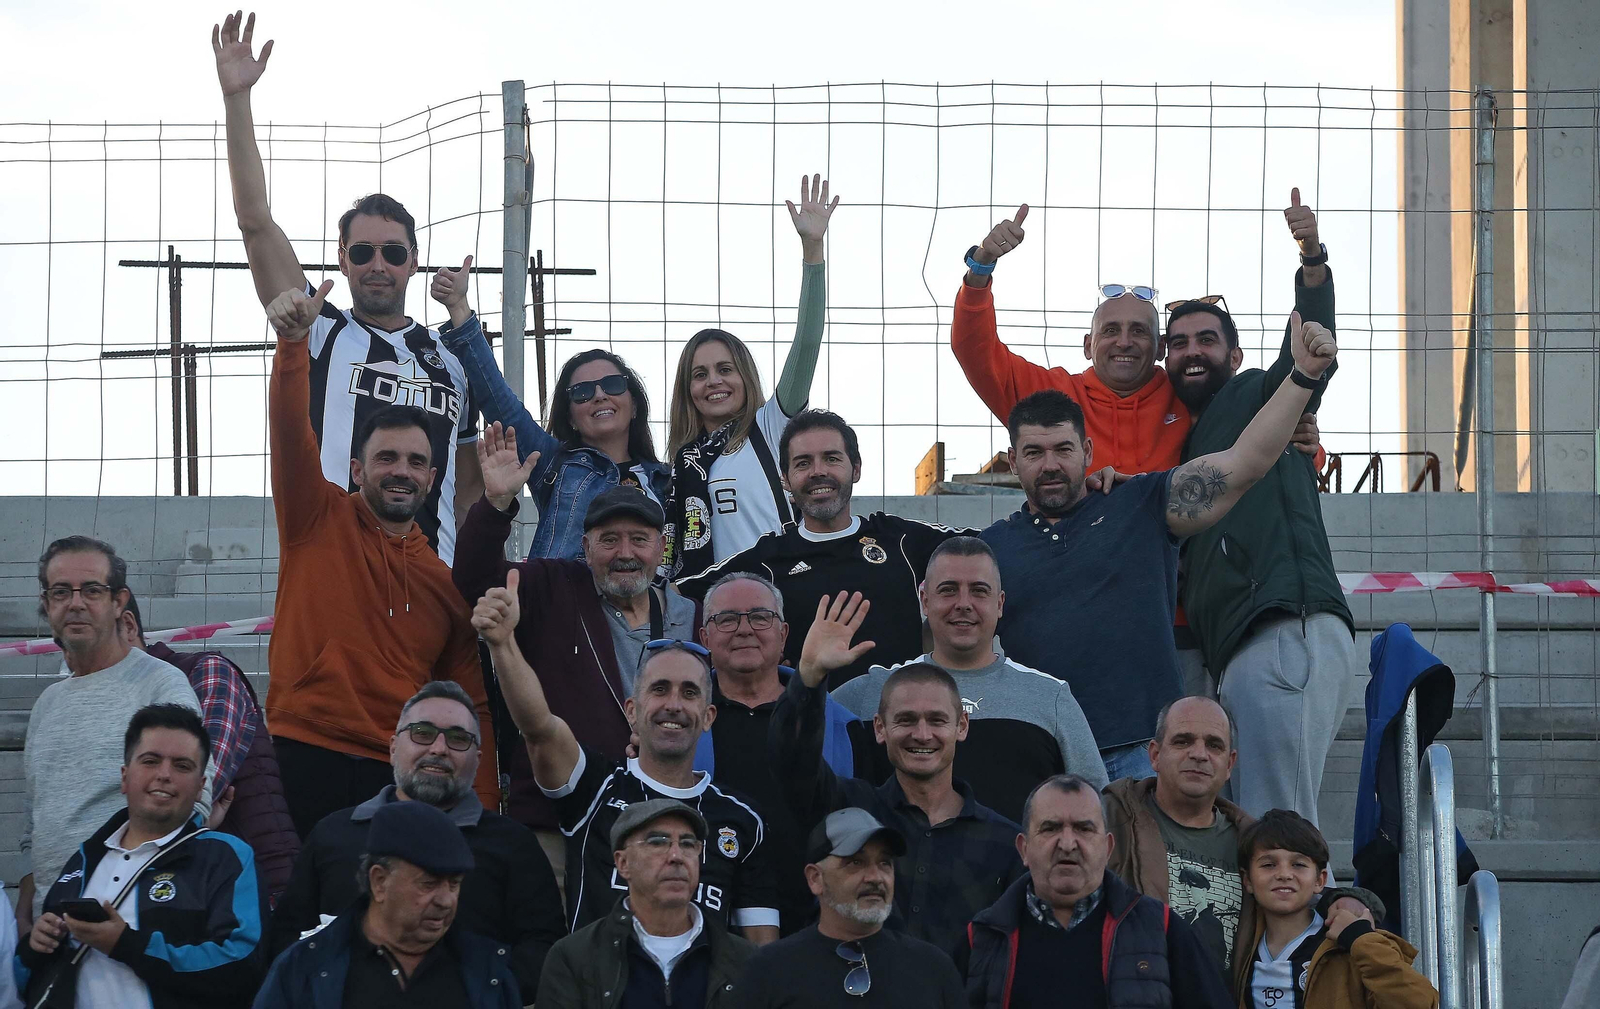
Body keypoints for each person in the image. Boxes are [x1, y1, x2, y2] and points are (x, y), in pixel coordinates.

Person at [979, 309, 1339, 784]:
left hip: (1141, 760)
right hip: (1042, 762)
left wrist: (1301, 378)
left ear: (1088, 453)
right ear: (1012, 461)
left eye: (1064, 450)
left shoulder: (1140, 505)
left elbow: (1244, 463)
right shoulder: (988, 552)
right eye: (1034, 453)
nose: (1050, 465)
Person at [212, 11, 482, 563]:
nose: (377, 265)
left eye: (393, 252)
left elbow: (470, 485)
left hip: (432, 587)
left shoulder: (452, 362)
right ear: (343, 260)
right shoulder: (318, 328)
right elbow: (255, 221)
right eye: (362, 253)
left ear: (413, 263)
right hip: (338, 571)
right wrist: (237, 101)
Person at [262, 279, 498, 838]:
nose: (401, 470)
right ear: (358, 469)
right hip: (303, 748)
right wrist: (293, 346)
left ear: (432, 477)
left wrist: (484, 819)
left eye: (417, 462)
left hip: (398, 772)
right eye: (385, 457)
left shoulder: (443, 582)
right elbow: (290, 432)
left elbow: (475, 711)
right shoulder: (315, 516)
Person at [1163, 191, 1353, 824]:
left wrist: (1312, 261)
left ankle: (1313, 926)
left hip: (1280, 627)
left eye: (1207, 341)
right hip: (1241, 645)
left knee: (1280, 828)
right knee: (1257, 826)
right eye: (1179, 343)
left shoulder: (1259, 394)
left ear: (1237, 357)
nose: (1192, 352)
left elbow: (1308, 351)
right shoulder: (1184, 439)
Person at [471, 570, 780, 942]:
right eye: (660, 689)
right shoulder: (594, 788)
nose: (673, 705)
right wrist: (503, 645)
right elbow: (538, 727)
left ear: (708, 717)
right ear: (632, 710)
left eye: (690, 693)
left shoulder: (741, 819)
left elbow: (760, 950)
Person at [453, 428, 698, 879]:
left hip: (656, 826)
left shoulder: (690, 616)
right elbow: (474, 578)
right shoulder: (553, 585)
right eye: (609, 540)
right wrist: (496, 505)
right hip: (556, 827)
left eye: (638, 540)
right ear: (585, 548)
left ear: (661, 549)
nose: (625, 553)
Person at [270, 681, 564, 997]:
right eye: (422, 733)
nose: (438, 748)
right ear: (394, 747)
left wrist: (464, 989)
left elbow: (543, 949)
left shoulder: (512, 844)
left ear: (478, 759)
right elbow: (288, 936)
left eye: (457, 739)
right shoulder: (333, 834)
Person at [771, 593, 1023, 953]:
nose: (922, 734)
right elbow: (791, 762)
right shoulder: (847, 808)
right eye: (905, 720)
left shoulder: (1005, 844)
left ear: (962, 726)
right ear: (879, 728)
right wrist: (809, 680)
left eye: (937, 720)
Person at [678, 409, 969, 686]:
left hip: (902, 727)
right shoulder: (767, 560)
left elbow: (990, 543)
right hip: (815, 730)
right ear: (785, 479)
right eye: (803, 463)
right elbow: (678, 592)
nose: (818, 472)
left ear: (855, 469)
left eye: (831, 459)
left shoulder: (900, 539)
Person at [831, 536, 1106, 823]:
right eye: (948, 590)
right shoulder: (871, 693)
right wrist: (811, 676)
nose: (963, 604)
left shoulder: (1050, 697)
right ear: (925, 601)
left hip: (1017, 868)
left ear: (999, 604)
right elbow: (797, 753)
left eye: (979, 591)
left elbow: (1096, 809)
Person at [19, 537, 211, 930]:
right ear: (47, 603)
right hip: (52, 925)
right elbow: (35, 823)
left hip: (130, 922)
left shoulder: (158, 685)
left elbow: (192, 798)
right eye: (60, 592)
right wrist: (30, 903)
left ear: (118, 601)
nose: (75, 603)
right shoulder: (47, 705)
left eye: (91, 590)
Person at [20, 704, 266, 1009]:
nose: (164, 775)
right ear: (124, 777)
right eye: (150, 761)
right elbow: (22, 978)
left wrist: (127, 945)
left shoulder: (226, 856)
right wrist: (35, 946)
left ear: (202, 787)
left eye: (182, 766)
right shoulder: (83, 860)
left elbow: (242, 965)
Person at [663, 175, 837, 578]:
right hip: (713, 614)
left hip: (782, 601)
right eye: (700, 374)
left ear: (745, 376)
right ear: (687, 391)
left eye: (726, 369)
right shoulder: (683, 463)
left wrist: (813, 250)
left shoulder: (771, 425)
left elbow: (807, 343)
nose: (714, 382)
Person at [955, 774, 1233, 1009]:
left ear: (1108, 848)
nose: (1067, 843)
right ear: (1024, 848)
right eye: (1050, 828)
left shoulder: (1163, 930)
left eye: (1083, 829)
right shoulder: (981, 940)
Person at [691, 571, 857, 934]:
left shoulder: (842, 726)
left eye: (760, 617)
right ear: (705, 638)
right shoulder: (680, 724)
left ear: (783, 635)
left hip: (816, 923)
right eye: (727, 619)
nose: (744, 629)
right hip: (707, 925)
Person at [121, 593, 299, 909]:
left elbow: (202, 785)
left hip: (254, 887)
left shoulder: (206, 672)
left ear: (129, 626)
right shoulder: (109, 703)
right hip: (175, 885)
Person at [254, 800, 520, 1008]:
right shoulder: (303, 969)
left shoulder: (487, 972)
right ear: (379, 882)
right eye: (428, 884)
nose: (445, 901)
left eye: (454, 884)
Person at [438, 326, 669, 560]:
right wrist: (459, 309)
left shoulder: (668, 480)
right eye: (582, 392)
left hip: (649, 596)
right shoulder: (554, 463)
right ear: (570, 418)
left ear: (635, 405)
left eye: (613, 384)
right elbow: (502, 403)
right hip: (569, 596)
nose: (600, 395)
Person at [536, 799, 758, 1008]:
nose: (676, 855)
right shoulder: (574, 958)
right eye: (658, 842)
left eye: (688, 844)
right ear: (623, 863)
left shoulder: (744, 960)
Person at [734, 808, 965, 1008]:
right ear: (815, 879)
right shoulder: (769, 970)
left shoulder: (933, 969)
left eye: (885, 863)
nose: (876, 877)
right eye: (856, 862)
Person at [1104, 696, 1256, 978]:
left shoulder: (1256, 844)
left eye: (1214, 745)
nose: (1199, 754)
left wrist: (1347, 899)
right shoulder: (1108, 822)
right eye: (1183, 741)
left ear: (1229, 764)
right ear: (1154, 755)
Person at [1232, 809, 1437, 1009]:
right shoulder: (1240, 943)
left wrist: (1360, 939)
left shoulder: (1354, 943)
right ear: (1247, 880)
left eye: (1298, 865)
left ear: (1320, 880)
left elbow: (1419, 1003)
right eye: (1269, 865)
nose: (1284, 874)